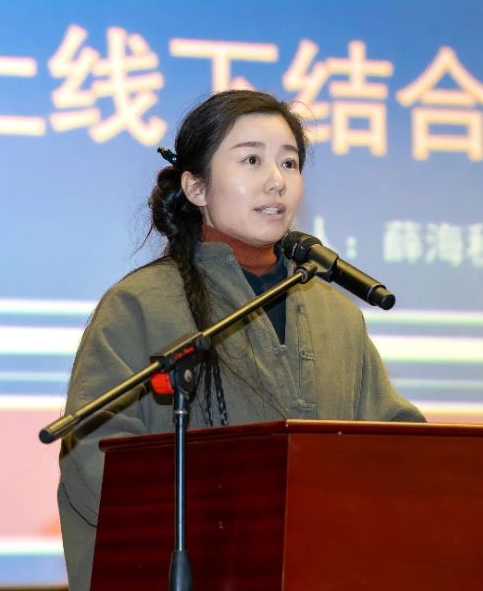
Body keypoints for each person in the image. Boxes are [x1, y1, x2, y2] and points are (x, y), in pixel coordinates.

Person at [56, 89, 424, 590]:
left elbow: (396, 449)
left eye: (289, 163)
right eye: (252, 159)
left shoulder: (337, 315)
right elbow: (96, 457)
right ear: (196, 187)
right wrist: (222, 533)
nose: (277, 180)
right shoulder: (140, 305)